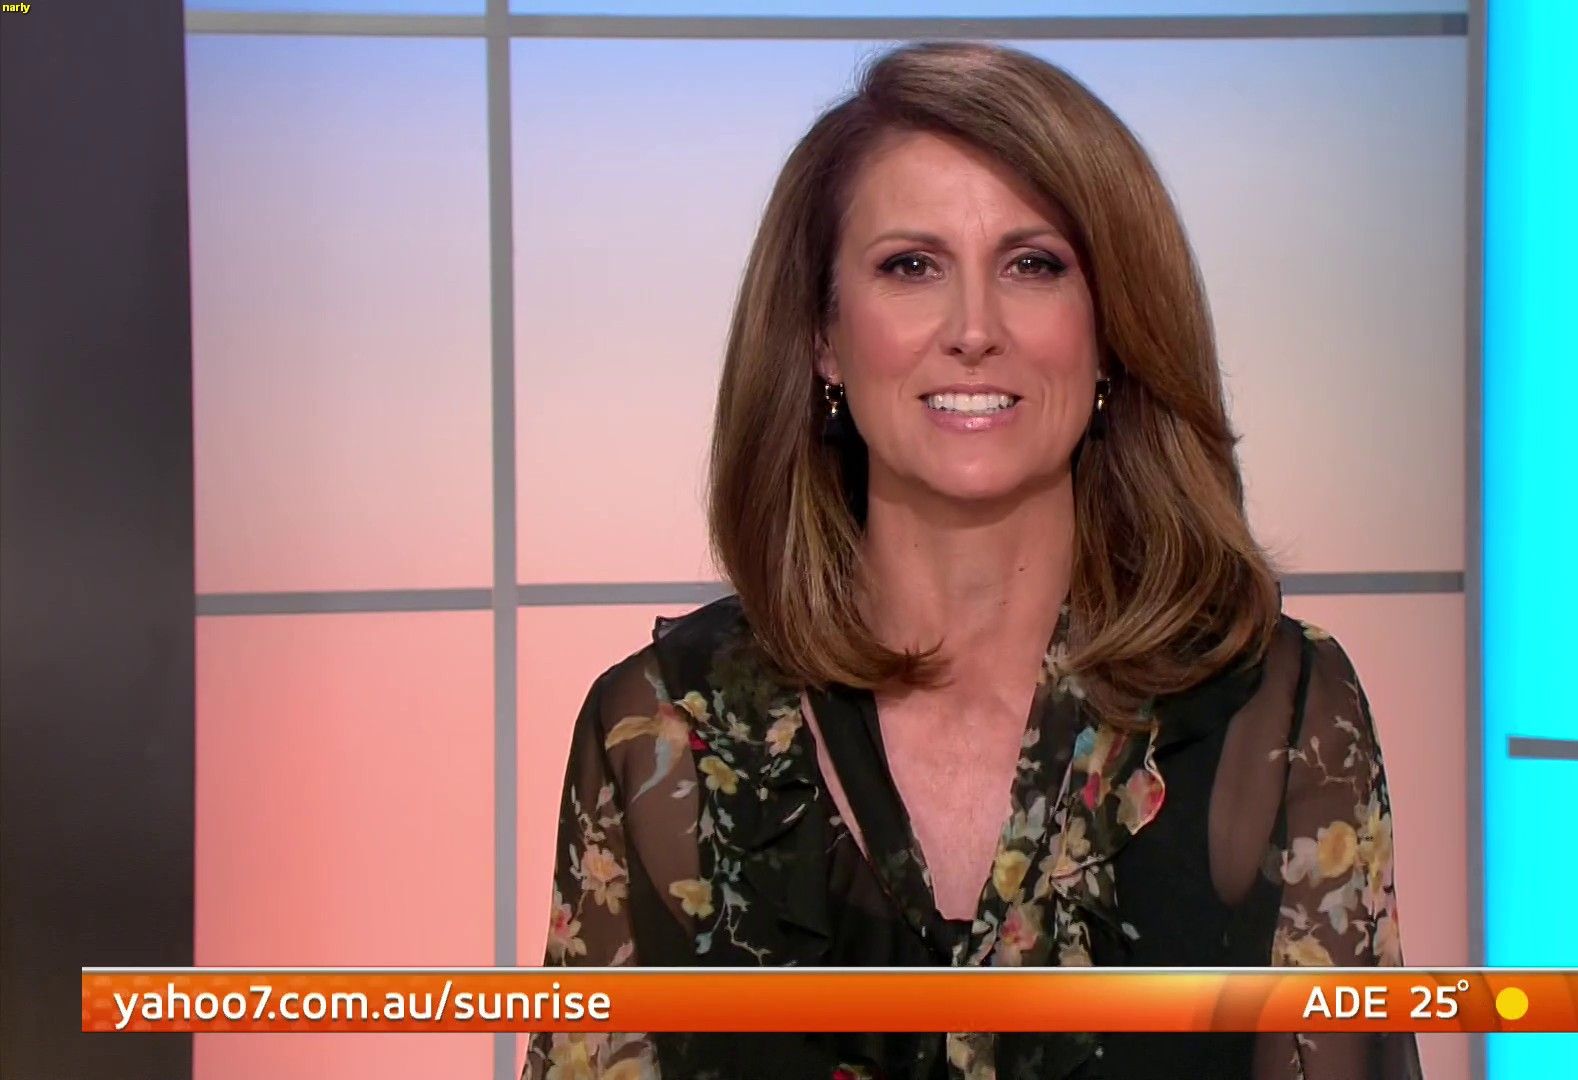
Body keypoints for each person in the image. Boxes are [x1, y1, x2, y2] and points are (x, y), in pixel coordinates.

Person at [523, 41, 1421, 1080]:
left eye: (1033, 265)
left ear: (1112, 329)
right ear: (823, 335)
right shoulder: (662, 731)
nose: (974, 330)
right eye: (911, 266)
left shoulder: (1282, 711)